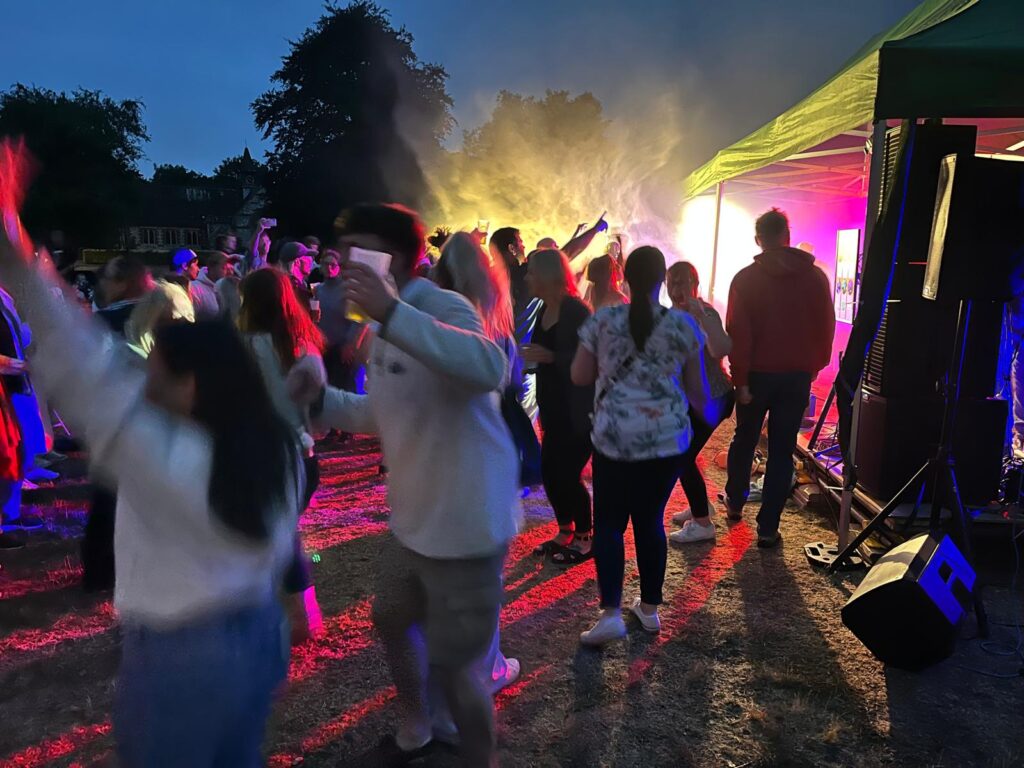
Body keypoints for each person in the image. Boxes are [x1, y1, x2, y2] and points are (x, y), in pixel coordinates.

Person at [0, 204, 302, 767]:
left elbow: (82, 364)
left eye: (156, 369)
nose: (145, 378)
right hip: (259, 634)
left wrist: (15, 255)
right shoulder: (272, 444)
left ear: (190, 385)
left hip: (181, 658)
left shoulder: (164, 455)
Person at [288, 204, 518, 766]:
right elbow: (387, 411)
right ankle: (417, 727)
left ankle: (474, 757)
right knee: (389, 616)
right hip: (414, 518)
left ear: (397, 259)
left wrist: (390, 312)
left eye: (356, 251)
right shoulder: (385, 324)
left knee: (459, 669)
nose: (341, 264)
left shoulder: (440, 306)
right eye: (339, 253)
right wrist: (320, 401)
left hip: (465, 522)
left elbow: (489, 368)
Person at [571, 246, 710, 646]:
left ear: (625, 279)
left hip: (613, 438)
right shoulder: (683, 326)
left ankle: (611, 613)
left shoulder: (604, 320)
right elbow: (699, 395)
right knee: (650, 521)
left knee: (611, 524)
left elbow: (580, 375)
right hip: (666, 443)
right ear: (662, 281)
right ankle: (649, 610)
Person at [724, 208, 835, 548]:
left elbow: (738, 333)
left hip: (756, 377)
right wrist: (813, 365)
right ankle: (768, 527)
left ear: (759, 240)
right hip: (796, 377)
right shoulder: (815, 277)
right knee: (782, 450)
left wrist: (740, 380)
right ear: (788, 236)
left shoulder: (745, 279)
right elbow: (825, 327)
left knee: (744, 441)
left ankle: (735, 503)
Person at [239, 267, 325, 642]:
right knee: (284, 534)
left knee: (270, 537)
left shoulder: (243, 347)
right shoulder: (304, 345)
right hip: (303, 454)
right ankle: (303, 616)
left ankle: (292, 619)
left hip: (263, 454)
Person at [85, 255, 154, 590]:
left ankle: (101, 570)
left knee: (110, 495)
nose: (102, 284)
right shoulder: (165, 317)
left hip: (116, 416)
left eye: (108, 278)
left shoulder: (103, 321)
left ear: (124, 282)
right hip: (154, 415)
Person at [522, 249, 595, 565]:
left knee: (568, 473)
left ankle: (585, 538)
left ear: (548, 275)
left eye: (531, 272)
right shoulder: (543, 308)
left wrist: (551, 357)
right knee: (550, 471)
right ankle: (565, 531)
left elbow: (591, 357)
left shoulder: (576, 310)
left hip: (577, 408)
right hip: (552, 405)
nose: (527, 278)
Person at [666, 261, 734, 544]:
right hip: (688, 401)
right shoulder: (670, 316)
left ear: (695, 284)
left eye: (683, 282)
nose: (677, 289)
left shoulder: (706, 312)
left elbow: (721, 348)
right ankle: (701, 507)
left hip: (713, 398)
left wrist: (701, 317)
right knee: (684, 455)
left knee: (680, 456)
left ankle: (703, 524)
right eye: (672, 282)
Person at [191, 252, 234, 321]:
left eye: (231, 269)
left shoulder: (228, 288)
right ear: (211, 268)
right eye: (224, 268)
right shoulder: (195, 288)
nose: (229, 272)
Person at [278, 241, 315, 310]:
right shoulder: (294, 286)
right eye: (307, 256)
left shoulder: (300, 284)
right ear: (297, 262)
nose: (311, 261)